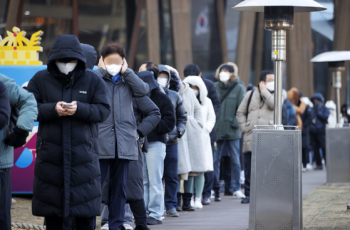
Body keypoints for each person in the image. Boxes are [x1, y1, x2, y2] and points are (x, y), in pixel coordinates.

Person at [27, 35, 110, 230]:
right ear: (53, 59)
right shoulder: (40, 79)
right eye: (61, 60)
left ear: (78, 59)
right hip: (51, 158)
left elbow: (103, 110)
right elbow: (28, 108)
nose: (66, 64)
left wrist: (79, 109)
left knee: (85, 215)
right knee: (53, 216)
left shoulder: (92, 80)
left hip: (84, 159)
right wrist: (51, 110)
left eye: (71, 60)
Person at [94, 41, 149, 230]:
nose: (113, 64)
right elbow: (85, 87)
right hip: (101, 143)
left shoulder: (129, 81)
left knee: (120, 189)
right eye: (109, 60)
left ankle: (116, 225)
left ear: (124, 61)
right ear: (102, 60)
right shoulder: (96, 78)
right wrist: (101, 70)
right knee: (95, 187)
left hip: (124, 144)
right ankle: (85, 223)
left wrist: (128, 72)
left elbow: (144, 90)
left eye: (117, 60)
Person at [138, 70, 176, 225]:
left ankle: (156, 213)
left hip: (155, 143)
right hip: (140, 143)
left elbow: (170, 122)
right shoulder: (137, 98)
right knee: (144, 180)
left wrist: (149, 127)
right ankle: (145, 211)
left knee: (155, 179)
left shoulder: (162, 98)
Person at [0, 76, 37, 230]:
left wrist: (21, 129)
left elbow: (28, 101)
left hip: (0, 163)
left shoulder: (2, 82)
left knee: (1, 218)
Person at [183, 64, 220, 205]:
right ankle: (190, 197)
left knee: (202, 169)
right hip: (187, 138)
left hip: (204, 139)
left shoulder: (207, 101)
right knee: (190, 170)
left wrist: (206, 130)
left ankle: (201, 196)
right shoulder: (183, 100)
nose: (193, 90)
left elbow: (212, 117)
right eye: (190, 86)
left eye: (195, 87)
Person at [236, 70, 275, 204]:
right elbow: (240, 112)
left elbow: (275, 105)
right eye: (270, 80)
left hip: (268, 136)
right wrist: (244, 128)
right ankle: (249, 194)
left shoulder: (278, 94)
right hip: (250, 135)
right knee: (249, 167)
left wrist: (265, 91)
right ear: (262, 82)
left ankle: (266, 194)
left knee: (267, 168)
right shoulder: (250, 94)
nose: (273, 82)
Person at [157, 65, 187, 217]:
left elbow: (182, 117)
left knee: (171, 175)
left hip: (172, 141)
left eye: (164, 76)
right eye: (159, 76)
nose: (162, 79)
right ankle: (157, 206)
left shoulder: (175, 95)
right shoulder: (149, 94)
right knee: (155, 176)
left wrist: (179, 131)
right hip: (155, 140)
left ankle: (171, 205)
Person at [214, 63, 246, 201]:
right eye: (222, 70)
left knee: (235, 160)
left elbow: (242, 108)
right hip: (217, 128)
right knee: (214, 160)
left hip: (233, 129)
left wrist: (235, 123)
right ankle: (213, 189)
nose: (224, 73)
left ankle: (236, 188)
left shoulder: (239, 88)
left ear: (233, 73)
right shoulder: (215, 87)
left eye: (227, 71)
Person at [175, 76, 204, 211]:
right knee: (176, 170)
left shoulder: (188, 91)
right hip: (175, 131)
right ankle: (175, 201)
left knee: (191, 169)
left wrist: (198, 124)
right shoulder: (167, 91)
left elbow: (198, 110)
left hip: (191, 132)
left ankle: (187, 201)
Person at [288, 88, 313, 171]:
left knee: (304, 148)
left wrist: (304, 126)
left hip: (304, 130)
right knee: (295, 148)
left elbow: (309, 117)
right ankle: (298, 164)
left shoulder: (305, 106)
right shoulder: (290, 105)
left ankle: (305, 164)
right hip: (295, 129)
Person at [309, 93, 330, 170]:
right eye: (314, 100)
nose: (315, 102)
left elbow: (325, 117)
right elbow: (310, 119)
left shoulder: (325, 109)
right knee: (315, 149)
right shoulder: (312, 109)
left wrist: (318, 112)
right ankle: (319, 164)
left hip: (321, 131)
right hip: (314, 132)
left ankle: (328, 163)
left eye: (316, 100)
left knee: (324, 148)